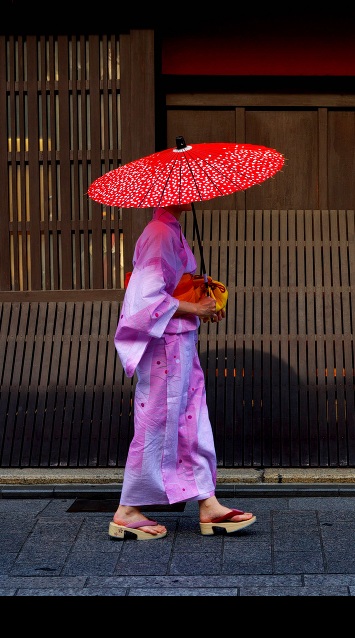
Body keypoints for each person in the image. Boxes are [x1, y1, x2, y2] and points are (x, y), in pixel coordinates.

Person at [108, 203, 254, 540]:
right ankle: (128, 509)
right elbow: (145, 300)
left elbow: (175, 288)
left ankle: (208, 502)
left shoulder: (171, 230)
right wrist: (194, 307)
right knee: (158, 420)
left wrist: (203, 302)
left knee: (191, 416)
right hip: (164, 344)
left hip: (178, 339)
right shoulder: (159, 233)